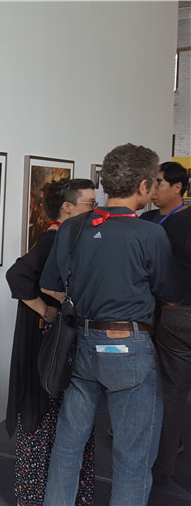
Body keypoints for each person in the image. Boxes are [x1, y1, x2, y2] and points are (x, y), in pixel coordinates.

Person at [40, 144, 183, 505]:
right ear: (145, 185)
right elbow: (171, 295)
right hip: (129, 348)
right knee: (132, 458)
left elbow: (50, 286)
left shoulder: (73, 227)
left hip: (81, 345)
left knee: (67, 446)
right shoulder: (151, 235)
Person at [4, 178, 97, 506]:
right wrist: (46, 309)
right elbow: (17, 275)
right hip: (48, 350)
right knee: (46, 420)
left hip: (53, 347)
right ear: (68, 207)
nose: (94, 210)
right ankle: (37, 496)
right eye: (89, 203)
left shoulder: (68, 238)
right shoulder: (54, 239)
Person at [139, 161, 191, 490]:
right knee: (168, 393)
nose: (153, 190)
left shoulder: (183, 222)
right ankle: (163, 466)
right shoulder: (147, 221)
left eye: (159, 183)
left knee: (171, 394)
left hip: (176, 314)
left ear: (178, 187)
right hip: (159, 317)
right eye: (151, 183)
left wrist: (174, 302)